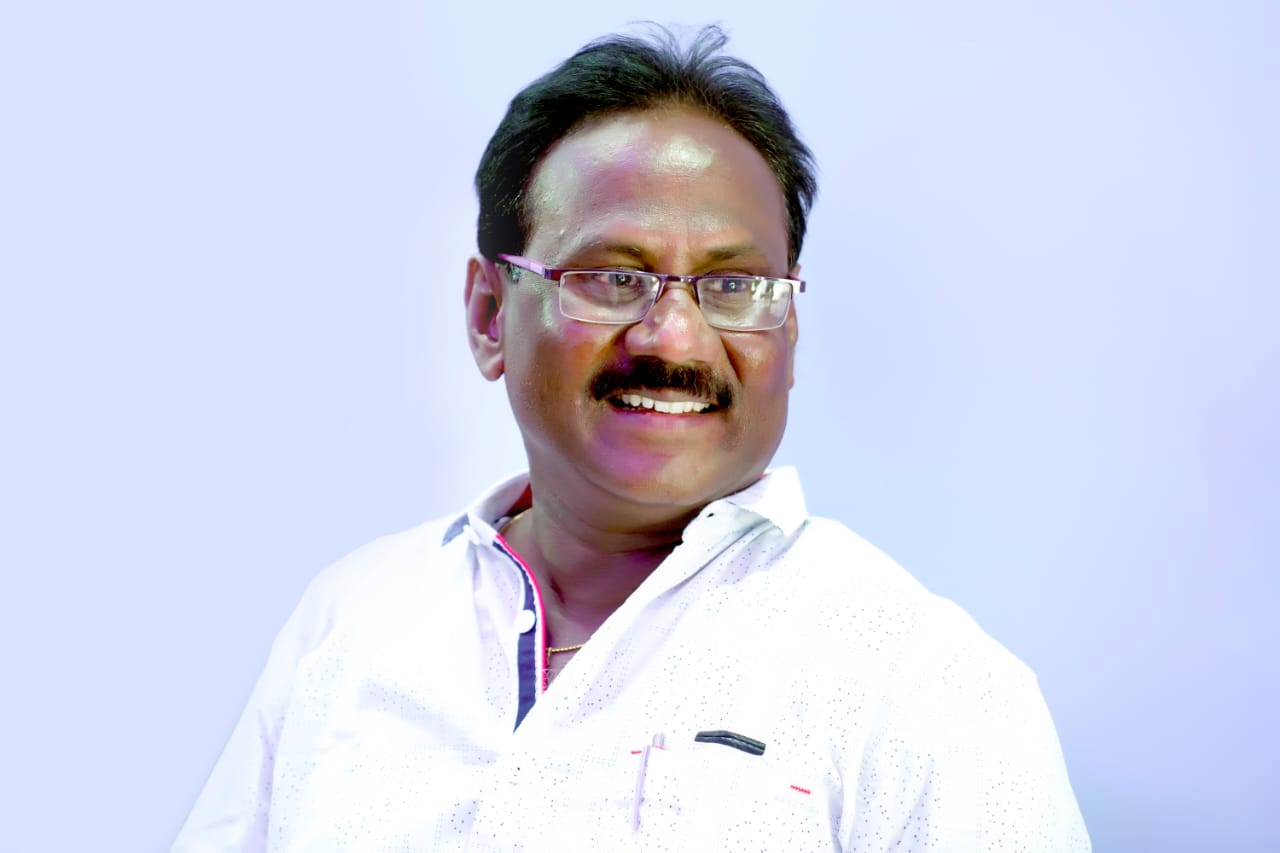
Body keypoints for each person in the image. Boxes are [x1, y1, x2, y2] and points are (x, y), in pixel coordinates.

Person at [174, 24, 1090, 852]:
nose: (674, 338)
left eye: (733, 286)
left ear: (789, 325)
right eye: (614, 277)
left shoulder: (928, 688)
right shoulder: (351, 623)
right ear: (489, 314)